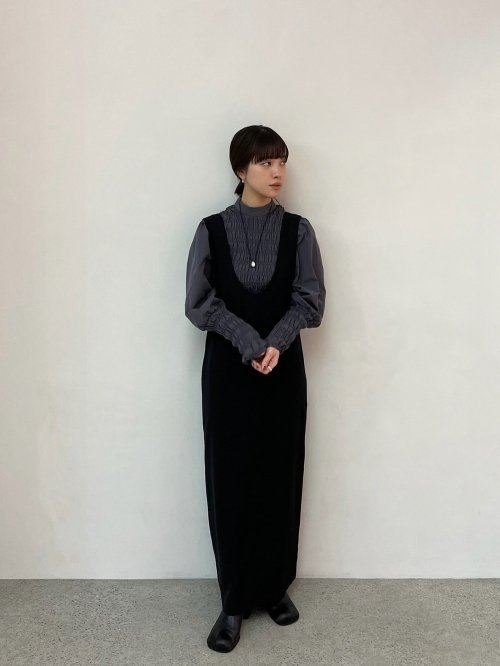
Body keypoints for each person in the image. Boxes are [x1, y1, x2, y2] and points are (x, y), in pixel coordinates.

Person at [185, 124, 326, 653]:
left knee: (280, 475)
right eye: (266, 162)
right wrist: (248, 341)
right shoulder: (210, 230)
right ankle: (233, 600)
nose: (277, 171)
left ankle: (274, 587)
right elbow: (199, 303)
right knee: (230, 478)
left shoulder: (299, 231)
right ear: (240, 169)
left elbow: (310, 299)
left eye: (282, 161)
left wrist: (277, 343)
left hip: (283, 372)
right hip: (228, 373)